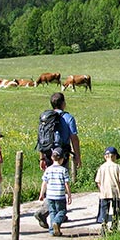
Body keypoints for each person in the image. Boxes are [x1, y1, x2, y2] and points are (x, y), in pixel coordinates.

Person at [35, 92, 81, 229]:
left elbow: (41, 139)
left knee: (51, 182)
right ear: (63, 103)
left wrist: (42, 157)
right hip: (62, 154)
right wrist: (77, 155)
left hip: (48, 153)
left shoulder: (45, 118)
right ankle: (44, 212)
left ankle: (62, 215)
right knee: (60, 184)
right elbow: (74, 138)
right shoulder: (67, 117)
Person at [95, 146, 120, 234]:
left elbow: (98, 181)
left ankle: (103, 227)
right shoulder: (117, 167)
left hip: (104, 194)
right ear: (113, 156)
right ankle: (114, 228)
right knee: (117, 211)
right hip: (115, 193)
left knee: (104, 211)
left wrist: (101, 189)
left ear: (105, 156)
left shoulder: (101, 167)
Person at [38, 147, 71, 237]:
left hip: (50, 196)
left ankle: (53, 230)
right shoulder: (63, 170)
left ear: (52, 158)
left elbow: (44, 183)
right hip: (60, 196)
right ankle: (56, 223)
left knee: (52, 212)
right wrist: (69, 195)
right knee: (62, 211)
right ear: (62, 159)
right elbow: (66, 184)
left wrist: (41, 194)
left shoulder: (48, 170)